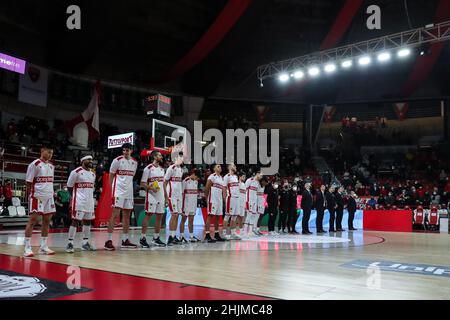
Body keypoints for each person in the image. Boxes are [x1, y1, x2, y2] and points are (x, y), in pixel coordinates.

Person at [104, 143, 138, 251]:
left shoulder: (134, 162)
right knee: (115, 215)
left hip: (129, 192)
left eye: (127, 150)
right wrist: (111, 189)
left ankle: (125, 240)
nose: (125, 152)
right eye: (124, 150)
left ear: (131, 151)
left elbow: (132, 177)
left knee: (127, 216)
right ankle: (108, 241)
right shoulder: (117, 160)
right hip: (118, 191)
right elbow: (111, 175)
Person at [23, 146, 56, 257]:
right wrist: (30, 195)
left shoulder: (51, 166)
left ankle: (43, 247)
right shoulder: (35, 164)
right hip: (37, 196)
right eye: (49, 152)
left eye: (52, 153)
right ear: (42, 151)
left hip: (49, 197)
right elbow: (28, 182)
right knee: (33, 221)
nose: (50, 154)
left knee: (47, 222)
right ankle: (27, 247)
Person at [65, 155, 96, 253]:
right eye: (88, 159)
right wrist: (74, 197)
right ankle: (70, 243)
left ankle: (85, 243)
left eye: (91, 160)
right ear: (83, 161)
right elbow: (69, 186)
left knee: (88, 222)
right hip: (79, 201)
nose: (91, 161)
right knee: (75, 221)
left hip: (89, 201)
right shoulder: (76, 172)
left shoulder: (93, 174)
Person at [139, 150, 166, 248]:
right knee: (148, 215)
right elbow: (142, 183)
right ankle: (142, 238)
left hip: (161, 195)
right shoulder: (148, 168)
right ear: (154, 157)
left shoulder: (162, 169)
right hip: (151, 196)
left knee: (160, 216)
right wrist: (151, 188)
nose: (161, 157)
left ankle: (156, 238)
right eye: (159, 155)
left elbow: (163, 184)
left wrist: (166, 197)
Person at [164, 154, 184, 246]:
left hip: (178, 195)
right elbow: (165, 182)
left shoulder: (181, 169)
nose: (181, 159)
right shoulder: (171, 168)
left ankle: (173, 235)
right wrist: (166, 196)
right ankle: (170, 238)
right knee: (174, 215)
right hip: (171, 195)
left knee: (177, 215)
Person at [204, 164, 225, 243]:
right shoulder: (212, 176)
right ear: (214, 168)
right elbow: (207, 187)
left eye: (220, 166)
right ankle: (207, 235)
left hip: (219, 199)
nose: (220, 167)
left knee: (217, 217)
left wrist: (223, 199)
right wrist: (206, 198)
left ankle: (216, 234)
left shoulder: (221, 178)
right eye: (218, 166)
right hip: (212, 199)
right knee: (210, 216)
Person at [180, 169, 201, 243]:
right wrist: (181, 206)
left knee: (191, 220)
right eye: (197, 177)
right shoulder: (185, 180)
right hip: (186, 204)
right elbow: (181, 194)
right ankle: (182, 236)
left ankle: (191, 236)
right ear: (193, 174)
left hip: (193, 204)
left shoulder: (196, 182)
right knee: (183, 220)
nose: (197, 179)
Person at [222, 164, 241, 240]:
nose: (235, 167)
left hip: (237, 198)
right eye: (234, 166)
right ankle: (224, 233)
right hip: (231, 198)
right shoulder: (227, 176)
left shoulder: (235, 177)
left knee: (234, 216)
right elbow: (224, 187)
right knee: (227, 216)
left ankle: (233, 233)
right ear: (229, 167)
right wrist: (224, 198)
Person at [244, 172, 261, 237]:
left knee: (253, 216)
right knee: (248, 215)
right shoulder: (249, 180)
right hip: (249, 200)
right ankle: (245, 231)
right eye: (260, 175)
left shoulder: (258, 183)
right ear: (257, 174)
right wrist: (246, 200)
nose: (261, 176)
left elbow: (257, 192)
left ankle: (250, 231)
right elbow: (245, 189)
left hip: (254, 201)